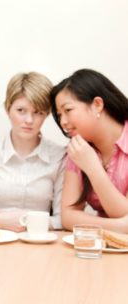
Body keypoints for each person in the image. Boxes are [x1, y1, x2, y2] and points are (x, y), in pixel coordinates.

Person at [0, 72, 65, 232]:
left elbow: (61, 221)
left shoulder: (59, 156)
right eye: (21, 110)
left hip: (38, 244)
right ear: (7, 108)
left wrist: (23, 219)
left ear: (46, 115)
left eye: (38, 112)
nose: (29, 120)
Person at [50, 68, 128, 233]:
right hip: (105, 246)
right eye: (59, 115)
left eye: (68, 110)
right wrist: (120, 227)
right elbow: (68, 217)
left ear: (97, 105)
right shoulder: (79, 148)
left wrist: (93, 168)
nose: (63, 121)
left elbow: (122, 212)